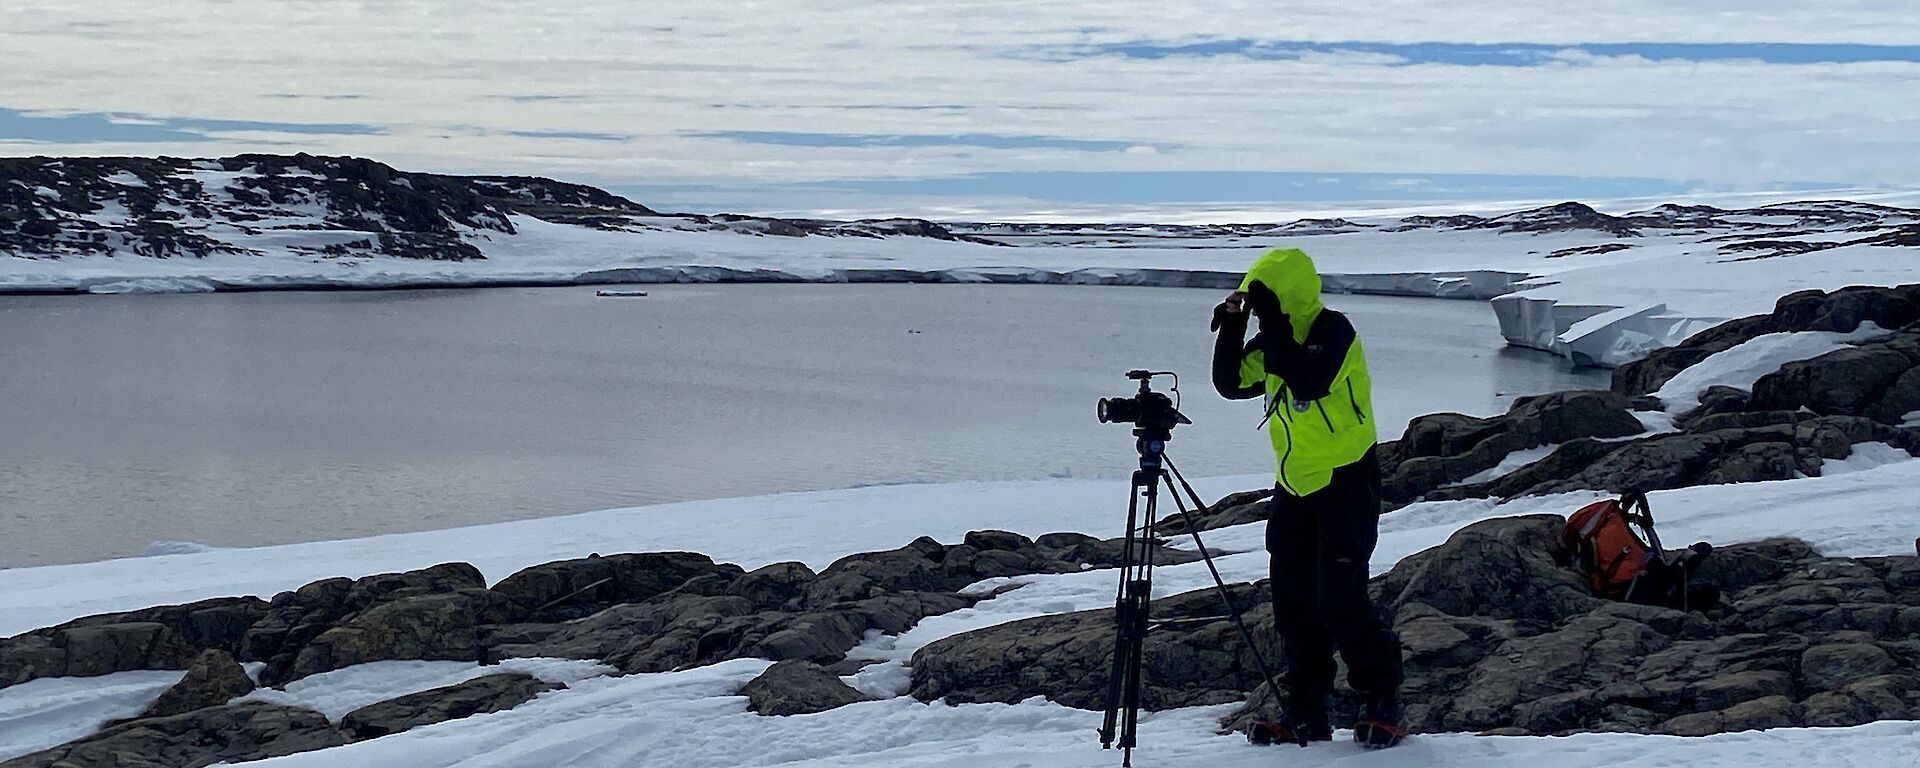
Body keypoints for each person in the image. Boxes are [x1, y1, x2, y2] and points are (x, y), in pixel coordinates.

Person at [1210, 247, 1406, 749]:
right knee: (1293, 604)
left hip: (1344, 481)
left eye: (1265, 297)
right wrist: (1232, 329)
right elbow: (1231, 383)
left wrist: (1271, 321)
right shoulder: (1277, 338)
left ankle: (1381, 698)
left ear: (1288, 294)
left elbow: (1308, 378)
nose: (1259, 306)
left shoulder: (1334, 333)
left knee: (1342, 601)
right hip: (1294, 484)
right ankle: (1307, 709)